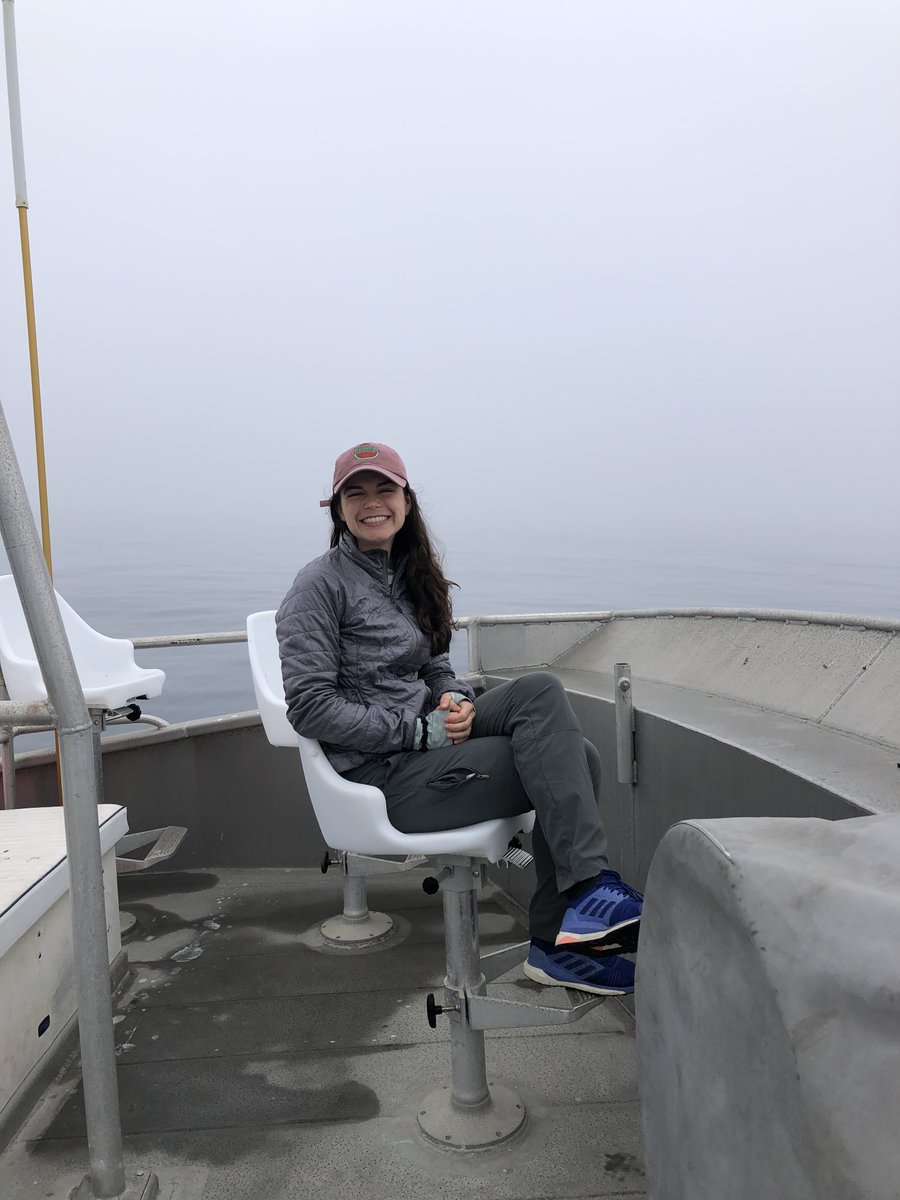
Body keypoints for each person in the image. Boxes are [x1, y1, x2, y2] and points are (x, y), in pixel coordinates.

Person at [276, 441, 642, 996]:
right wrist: (416, 731)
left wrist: (453, 698)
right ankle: (568, 925)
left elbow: (435, 663)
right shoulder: (317, 586)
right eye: (356, 493)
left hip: (433, 739)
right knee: (579, 761)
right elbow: (308, 706)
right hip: (383, 775)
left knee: (540, 693)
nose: (372, 503)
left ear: (406, 500)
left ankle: (577, 912)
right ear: (338, 508)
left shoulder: (410, 574)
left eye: (385, 490)